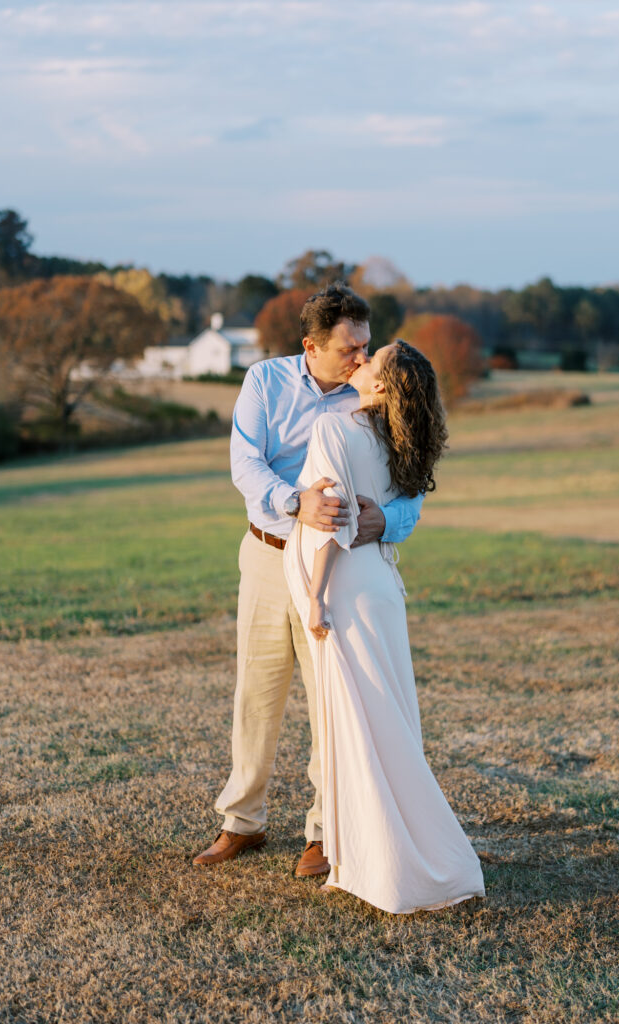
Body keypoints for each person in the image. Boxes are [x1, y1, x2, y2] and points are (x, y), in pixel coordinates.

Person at [193, 283, 423, 875]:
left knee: (332, 700)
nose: (361, 359)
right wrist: (297, 503)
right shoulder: (265, 382)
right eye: (349, 348)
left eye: (366, 346)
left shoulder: (371, 397)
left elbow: (409, 491)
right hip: (270, 554)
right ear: (310, 346)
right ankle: (241, 822)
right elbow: (246, 464)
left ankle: (324, 829)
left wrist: (385, 522)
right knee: (257, 694)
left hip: (339, 567)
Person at [283, 341, 486, 913]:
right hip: (380, 586)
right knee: (388, 720)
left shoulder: (334, 428)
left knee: (358, 723)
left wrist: (318, 595)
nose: (361, 361)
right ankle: (373, 851)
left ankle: (387, 862)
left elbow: (330, 520)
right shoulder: (396, 439)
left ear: (381, 387)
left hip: (344, 588)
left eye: (373, 361)